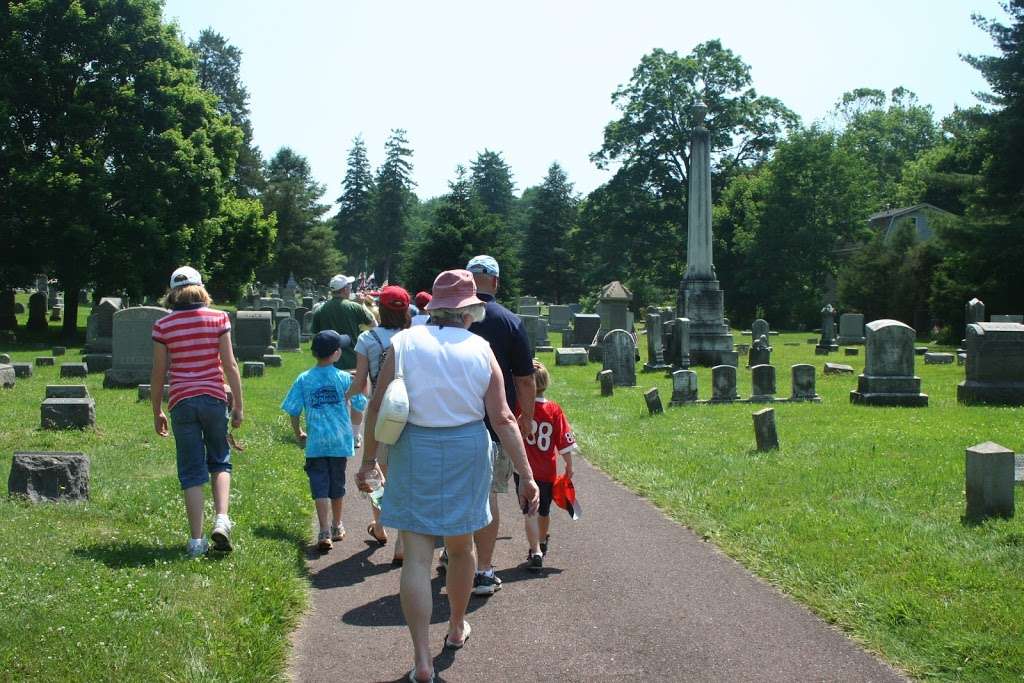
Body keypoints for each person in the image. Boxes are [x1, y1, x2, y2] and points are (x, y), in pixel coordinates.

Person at [356, 269, 540, 683]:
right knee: (461, 548)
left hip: (414, 447)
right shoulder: (481, 348)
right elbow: (504, 417)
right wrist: (526, 473)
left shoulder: (402, 343)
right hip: (466, 448)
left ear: (433, 308)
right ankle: (456, 627)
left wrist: (369, 460)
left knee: (418, 556)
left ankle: (421, 659)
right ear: (471, 310)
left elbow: (377, 406)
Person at [454, 254, 536, 596]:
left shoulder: (451, 320)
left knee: (458, 495)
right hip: (494, 424)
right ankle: (484, 571)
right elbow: (525, 378)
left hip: (452, 422)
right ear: (496, 283)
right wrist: (527, 417)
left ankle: (455, 556)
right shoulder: (509, 321)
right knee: (488, 497)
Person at [150, 266, 244, 557]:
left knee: (191, 471)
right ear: (201, 288)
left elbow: (158, 371)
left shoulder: (163, 326)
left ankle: (195, 541)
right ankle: (222, 519)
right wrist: (239, 405)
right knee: (219, 460)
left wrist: (157, 410)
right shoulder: (219, 318)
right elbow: (229, 365)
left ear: (172, 293)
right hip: (214, 398)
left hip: (181, 401)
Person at [282, 330, 368, 552]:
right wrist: (360, 381)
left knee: (319, 487)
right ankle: (337, 525)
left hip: (316, 444)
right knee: (337, 485)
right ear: (337, 353)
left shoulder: (304, 379)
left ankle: (323, 530)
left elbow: (293, 408)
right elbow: (360, 404)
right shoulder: (343, 378)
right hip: (340, 442)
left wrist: (298, 431)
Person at [346, 285, 412, 562]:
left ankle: (381, 526)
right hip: (410, 412)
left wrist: (344, 396)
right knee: (406, 475)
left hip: (382, 412)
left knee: (377, 472)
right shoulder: (414, 337)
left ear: (379, 309)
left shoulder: (367, 338)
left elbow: (361, 383)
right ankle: (402, 542)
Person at [513, 360, 577, 570]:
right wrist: (569, 465)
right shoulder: (554, 410)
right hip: (547, 471)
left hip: (525, 470)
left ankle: (535, 551)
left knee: (529, 511)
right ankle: (542, 540)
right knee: (544, 511)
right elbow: (564, 441)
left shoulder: (520, 408)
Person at [312, 274, 376, 444]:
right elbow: (373, 324)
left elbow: (316, 333)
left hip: (328, 363)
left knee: (333, 400)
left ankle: (333, 434)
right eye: (349, 287)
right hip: (353, 362)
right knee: (357, 401)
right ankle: (355, 436)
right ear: (345, 289)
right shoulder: (354, 307)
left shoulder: (321, 309)